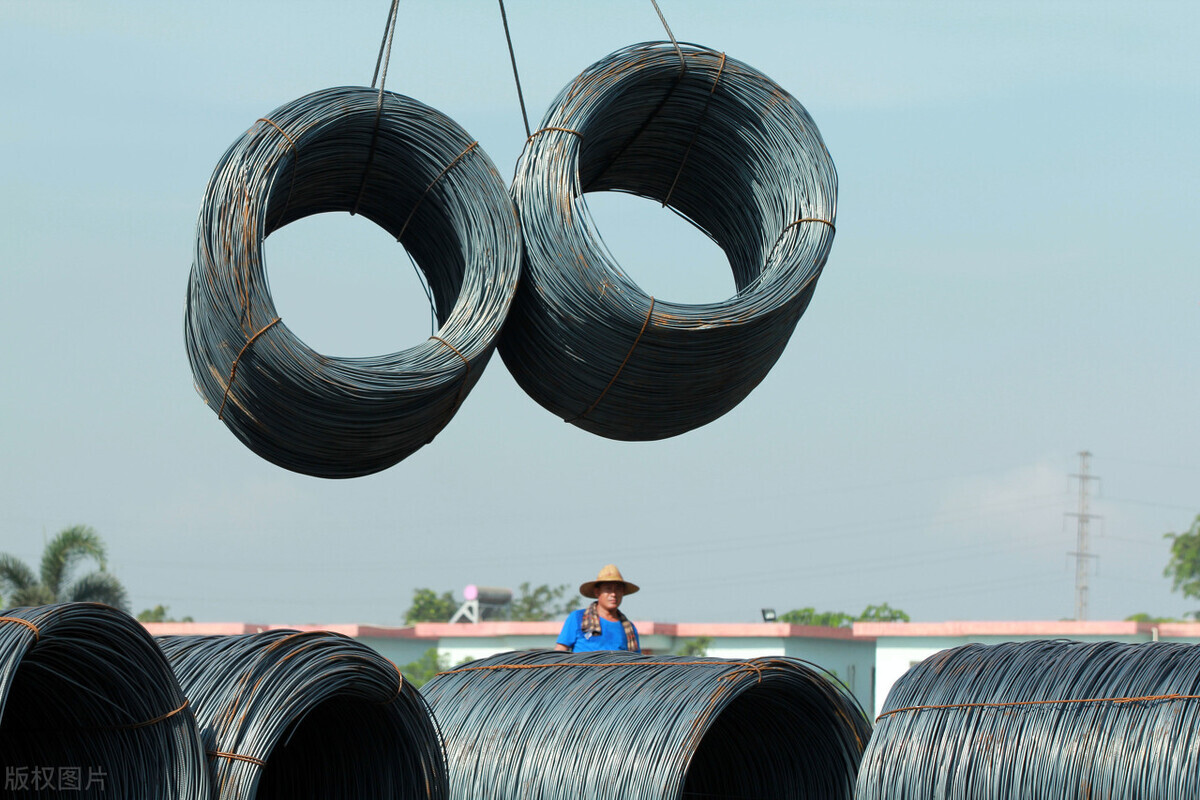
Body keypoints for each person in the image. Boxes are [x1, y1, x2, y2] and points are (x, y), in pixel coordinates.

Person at [555, 564, 641, 653]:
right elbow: (560, 651)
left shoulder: (628, 628)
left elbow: (636, 661)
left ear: (622, 592)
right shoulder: (578, 618)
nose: (613, 594)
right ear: (597, 592)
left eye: (618, 589)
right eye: (608, 589)